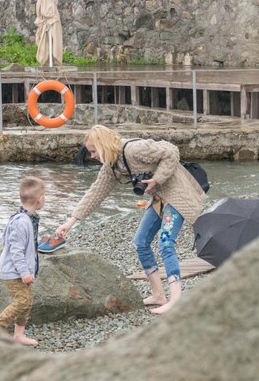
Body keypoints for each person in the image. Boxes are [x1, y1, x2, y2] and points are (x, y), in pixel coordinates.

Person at [55, 125, 205, 314]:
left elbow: (172, 151)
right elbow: (95, 194)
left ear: (103, 145)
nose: (92, 156)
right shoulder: (112, 166)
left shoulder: (134, 149)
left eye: (93, 151)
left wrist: (157, 179)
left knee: (166, 243)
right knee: (140, 242)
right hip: (159, 200)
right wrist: (70, 222)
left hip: (178, 196)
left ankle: (176, 300)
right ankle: (159, 295)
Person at [0, 176, 45, 346]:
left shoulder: (29, 217)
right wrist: (24, 272)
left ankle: (19, 335)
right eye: (45, 195)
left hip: (22, 270)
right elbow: (16, 250)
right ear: (40, 199)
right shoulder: (20, 222)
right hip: (13, 271)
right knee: (22, 301)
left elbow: (27, 245)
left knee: (27, 302)